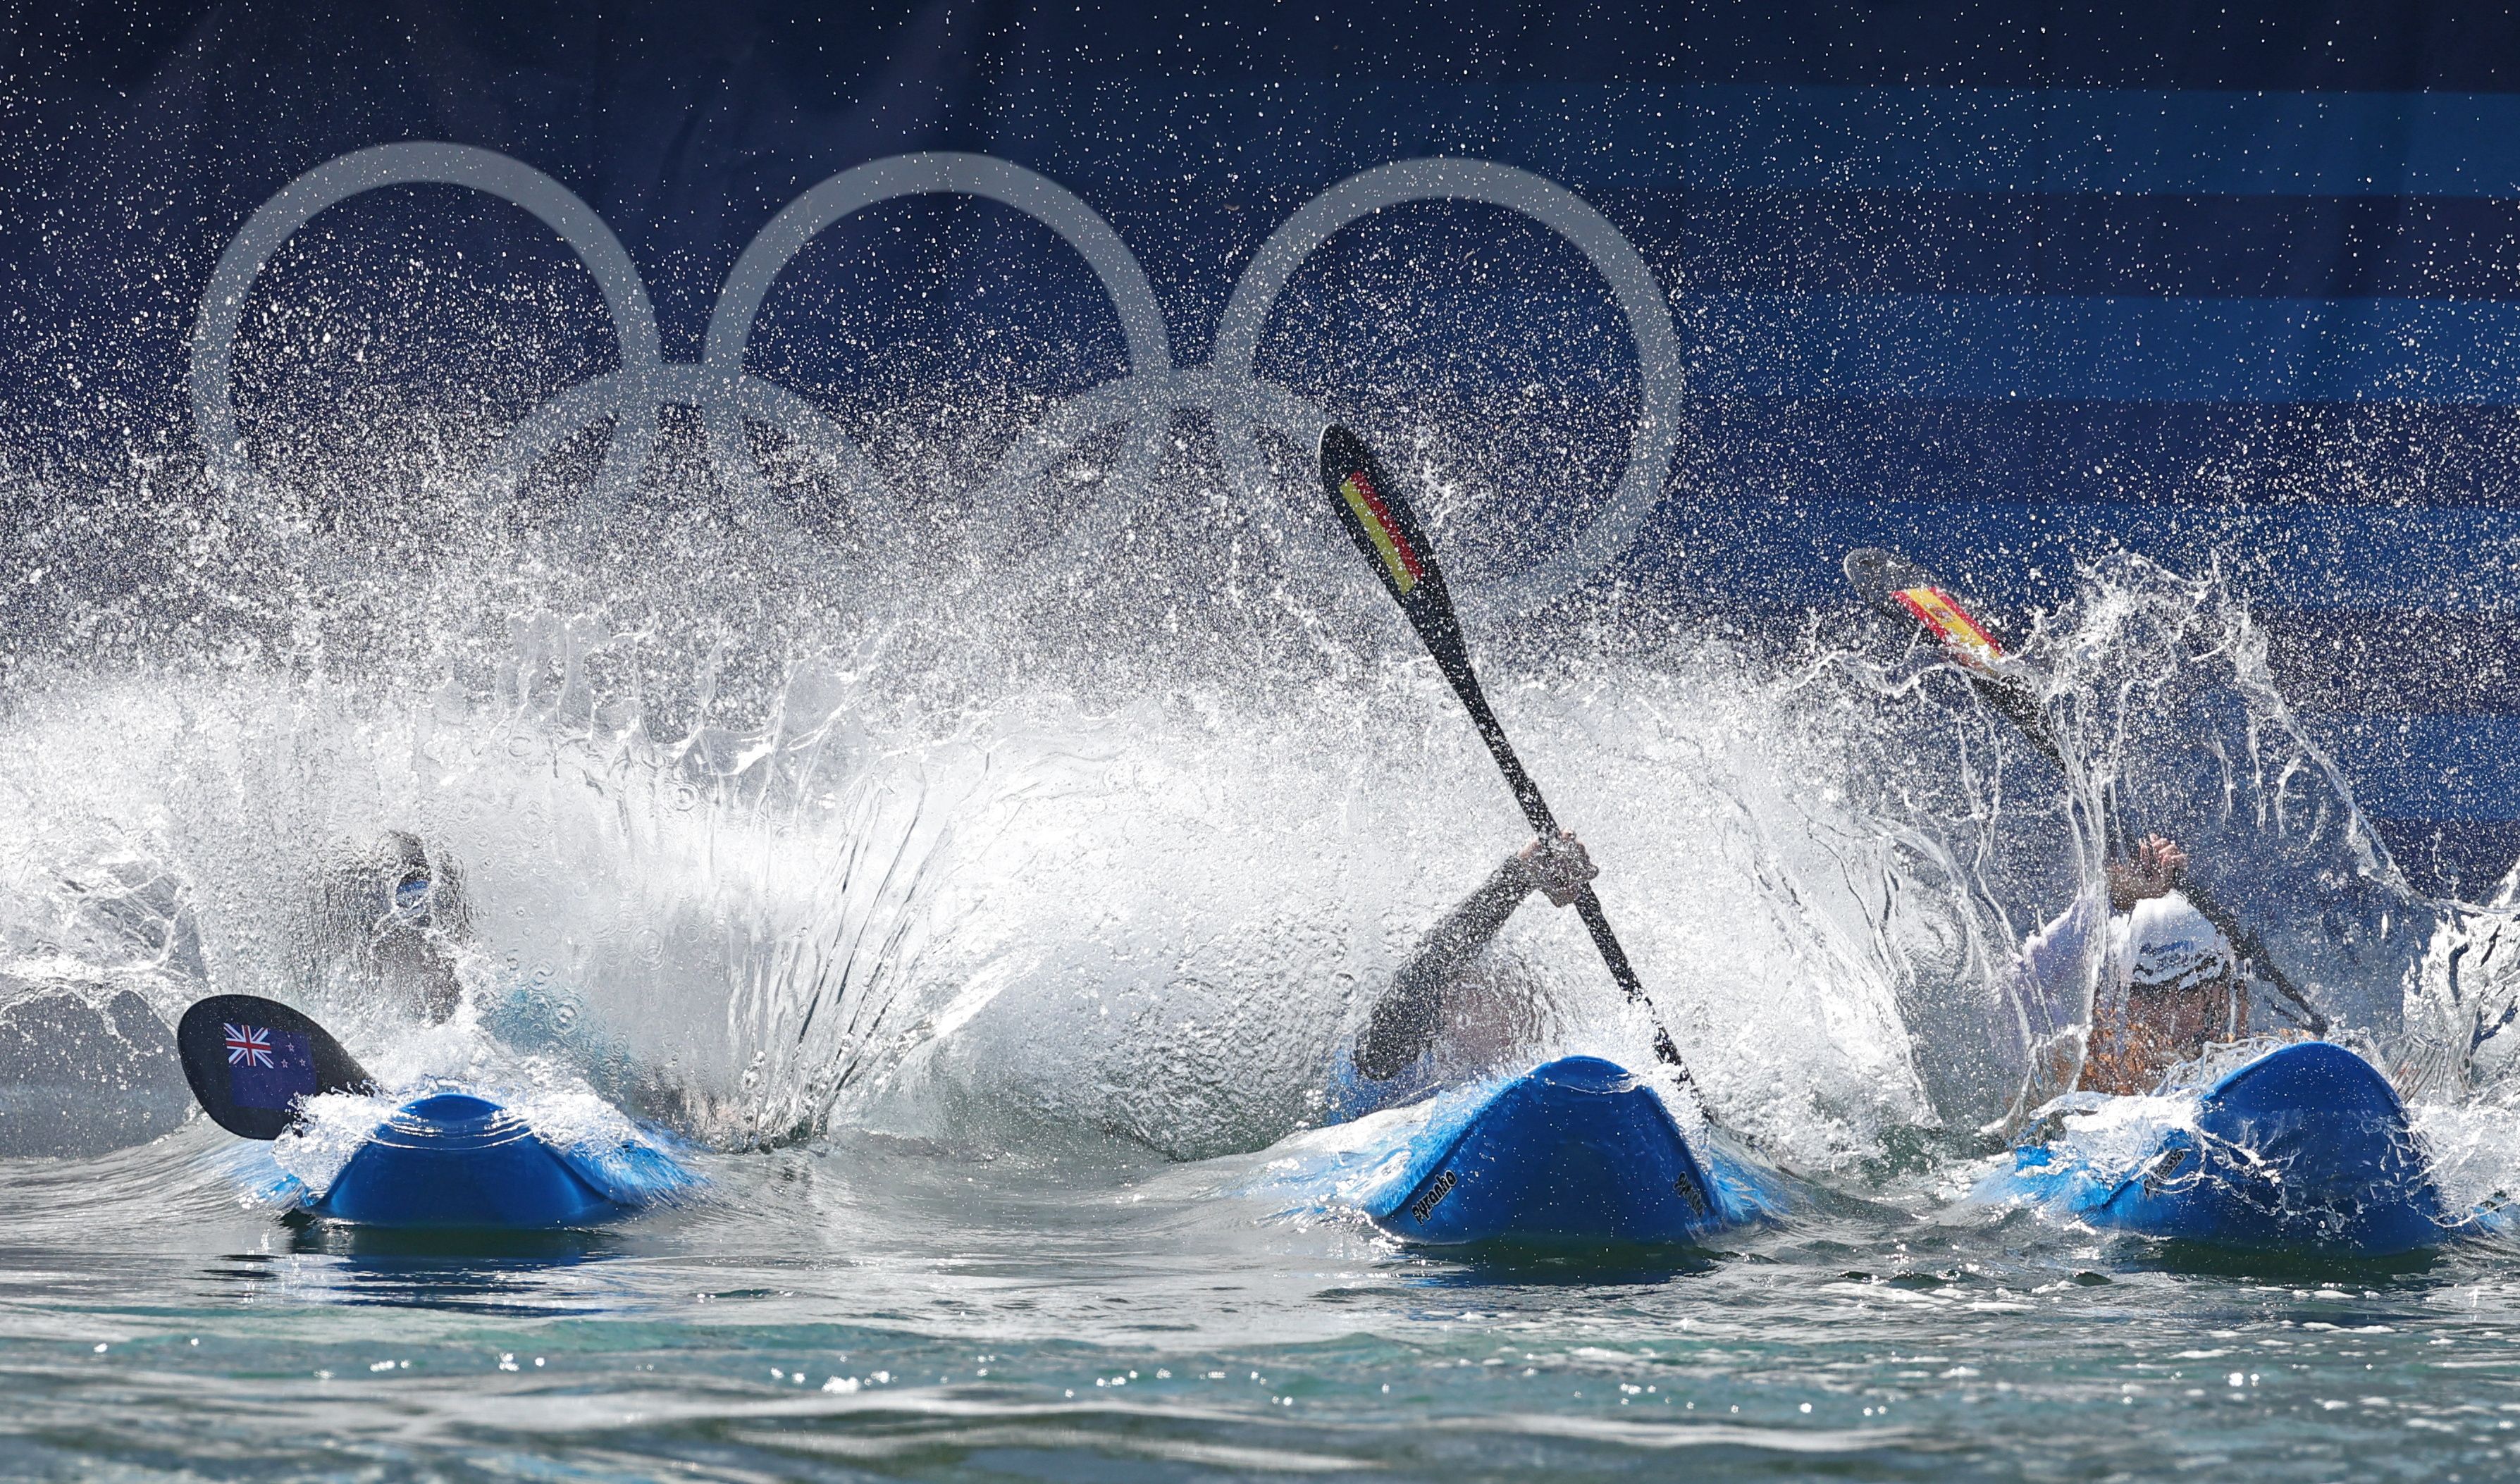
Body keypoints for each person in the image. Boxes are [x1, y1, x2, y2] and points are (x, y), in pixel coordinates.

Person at [1325, 829, 1602, 1122]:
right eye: (1491, 998)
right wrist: (1520, 875)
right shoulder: (1386, 1062)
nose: (1515, 1021)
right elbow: (1428, 971)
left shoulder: (1486, 1081)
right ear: (1450, 1008)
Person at [2011, 833, 2252, 1104]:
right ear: (2106, 1008)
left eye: (2191, 988)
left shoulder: (2238, 1065)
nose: (2171, 1011)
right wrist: (2111, 901)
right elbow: (2018, 988)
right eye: (2153, 993)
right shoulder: (2072, 1082)